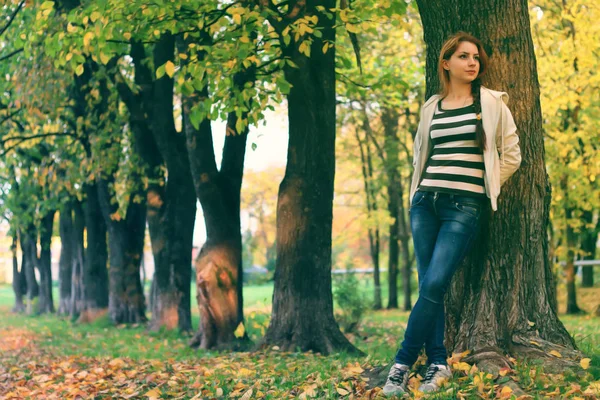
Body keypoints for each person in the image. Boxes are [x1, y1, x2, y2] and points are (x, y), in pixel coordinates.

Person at [382, 32, 522, 397]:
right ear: (446, 63)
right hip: (425, 203)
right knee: (431, 285)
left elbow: (512, 155)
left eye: (476, 56)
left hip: (465, 205)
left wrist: (484, 185)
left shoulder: (491, 103)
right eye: (463, 56)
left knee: (432, 284)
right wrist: (416, 194)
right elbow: (420, 155)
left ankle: (401, 363)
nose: (472, 62)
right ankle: (438, 363)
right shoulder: (432, 106)